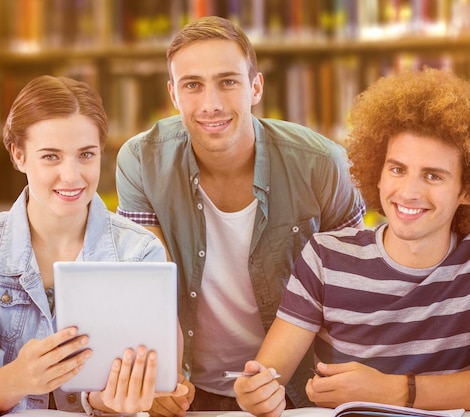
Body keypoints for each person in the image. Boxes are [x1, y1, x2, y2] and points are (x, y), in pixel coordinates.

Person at [233, 68, 470, 416]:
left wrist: (393, 390)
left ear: (468, 190)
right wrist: (256, 393)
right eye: (397, 170)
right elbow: (269, 375)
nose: (409, 193)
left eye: (433, 175)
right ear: (378, 173)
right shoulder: (326, 256)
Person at [115, 15, 365, 414]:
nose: (211, 104)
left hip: (299, 392)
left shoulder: (324, 165)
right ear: (173, 94)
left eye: (227, 81)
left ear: (255, 86)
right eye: (192, 85)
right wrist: (159, 380)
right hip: (186, 389)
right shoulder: (141, 161)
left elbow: (354, 296)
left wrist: (277, 380)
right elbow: (148, 286)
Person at [0, 75, 187, 416]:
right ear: (18, 155)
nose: (72, 176)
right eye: (51, 157)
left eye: (86, 155)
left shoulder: (141, 251)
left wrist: (113, 402)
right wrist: (20, 377)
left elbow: (147, 382)